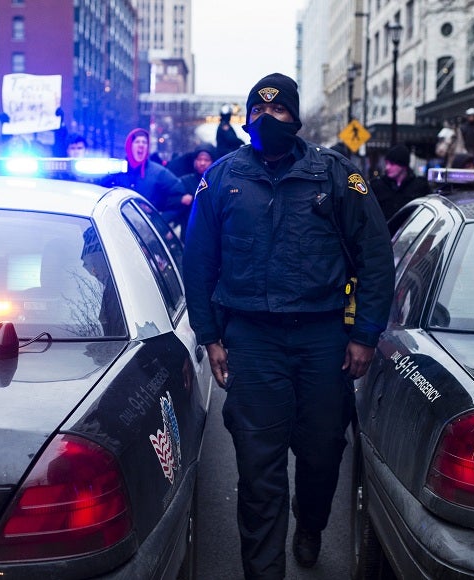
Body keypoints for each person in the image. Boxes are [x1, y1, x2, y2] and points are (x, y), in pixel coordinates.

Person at [183, 73, 394, 579]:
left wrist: (364, 335)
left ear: (295, 120)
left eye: (278, 113)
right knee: (259, 469)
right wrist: (210, 336)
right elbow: (198, 261)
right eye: (259, 112)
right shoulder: (223, 178)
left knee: (323, 453)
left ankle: (312, 524)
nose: (267, 120)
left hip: (323, 340)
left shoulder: (335, 175)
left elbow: (376, 258)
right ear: (248, 118)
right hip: (252, 341)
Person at [102, 127, 188, 226]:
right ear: (129, 146)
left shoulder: (159, 173)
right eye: (137, 142)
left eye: (144, 142)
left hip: (144, 232)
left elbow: (183, 199)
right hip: (117, 227)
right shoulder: (116, 169)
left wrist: (160, 224)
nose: (141, 145)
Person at [370, 145, 431, 226]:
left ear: (403, 165)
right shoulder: (377, 186)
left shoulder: (419, 186)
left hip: (412, 233)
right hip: (385, 234)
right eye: (387, 163)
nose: (387, 167)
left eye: (392, 164)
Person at [177, 145, 215, 241]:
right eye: (199, 159)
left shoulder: (217, 183)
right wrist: (181, 199)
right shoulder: (185, 181)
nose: (202, 163)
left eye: (206, 160)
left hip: (210, 237)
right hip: (188, 236)